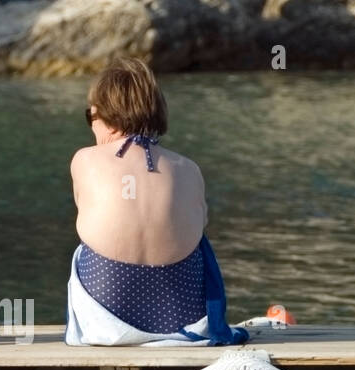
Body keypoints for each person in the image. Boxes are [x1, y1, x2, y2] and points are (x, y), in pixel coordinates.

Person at [66, 57, 245, 346]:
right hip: (180, 313)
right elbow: (199, 224)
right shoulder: (189, 168)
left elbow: (88, 213)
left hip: (108, 312)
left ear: (105, 116)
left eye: (91, 117)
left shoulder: (84, 160)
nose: (91, 127)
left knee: (85, 245)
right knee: (197, 242)